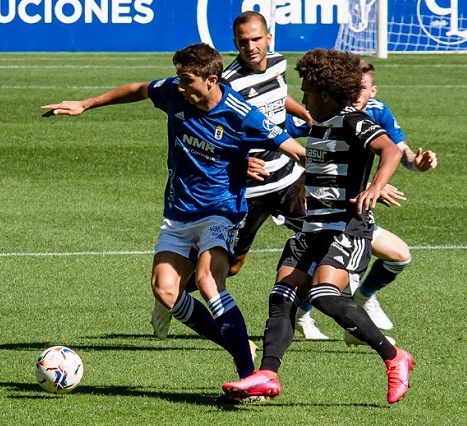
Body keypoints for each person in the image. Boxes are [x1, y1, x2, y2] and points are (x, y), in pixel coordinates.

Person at [41, 43, 306, 394]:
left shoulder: (243, 115)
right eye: (179, 78)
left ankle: (248, 375)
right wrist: (86, 104)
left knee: (209, 283)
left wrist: (338, 185)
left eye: (186, 80)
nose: (179, 86)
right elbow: (138, 89)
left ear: (212, 80)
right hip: (178, 213)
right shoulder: (174, 93)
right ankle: (237, 343)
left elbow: (296, 150)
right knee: (165, 291)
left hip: (221, 212)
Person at [222, 48, 415, 405]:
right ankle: (266, 374)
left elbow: (389, 150)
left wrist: (374, 186)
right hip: (312, 227)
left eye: (307, 89)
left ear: (325, 92)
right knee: (281, 297)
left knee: (324, 294)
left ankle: (394, 356)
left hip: (347, 227)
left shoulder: (350, 120)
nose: (302, 96)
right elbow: (324, 168)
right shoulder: (318, 124)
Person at [150, 10, 330, 342]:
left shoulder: (278, 63)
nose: (251, 47)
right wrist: (242, 162)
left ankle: (304, 314)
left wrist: (301, 110)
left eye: (256, 39)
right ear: (235, 43)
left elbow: (277, 94)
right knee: (230, 266)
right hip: (249, 187)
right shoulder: (227, 82)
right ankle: (173, 298)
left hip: (287, 178)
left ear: (268, 38)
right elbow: (216, 125)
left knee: (323, 239)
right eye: (243, 42)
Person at [286, 59, 438, 343]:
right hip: (329, 209)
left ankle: (361, 301)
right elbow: (317, 153)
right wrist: (302, 181)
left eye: (362, 88)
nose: (356, 94)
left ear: (373, 90)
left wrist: (417, 164)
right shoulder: (325, 112)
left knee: (399, 256)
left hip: (353, 209)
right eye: (351, 88)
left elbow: (398, 152)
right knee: (328, 274)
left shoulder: (376, 113)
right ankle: (318, 317)